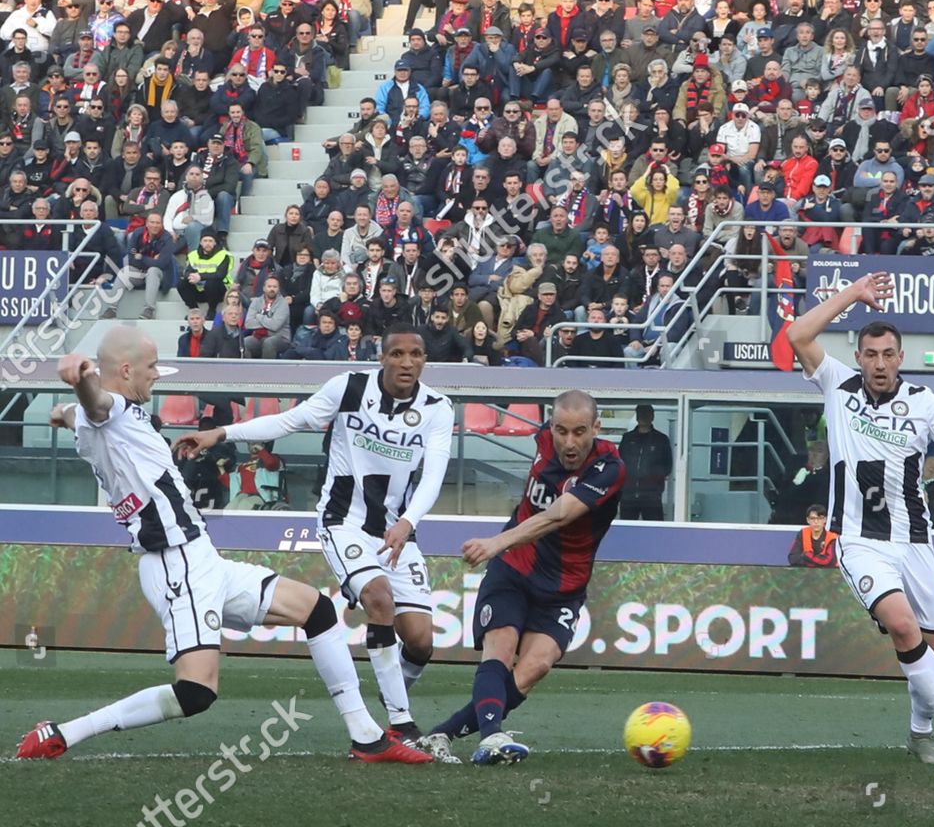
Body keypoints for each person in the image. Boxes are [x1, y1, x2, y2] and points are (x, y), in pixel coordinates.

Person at [17, 330, 429, 764]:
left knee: (317, 611)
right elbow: (96, 402)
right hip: (175, 563)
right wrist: (81, 379)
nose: (157, 376)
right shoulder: (111, 410)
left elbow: (78, 413)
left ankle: (367, 736)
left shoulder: (105, 417)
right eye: (152, 367)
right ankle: (63, 732)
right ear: (125, 371)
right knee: (196, 692)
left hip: (201, 558)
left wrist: (61, 410)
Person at [787, 271, 934, 764]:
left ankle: (920, 734)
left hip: (915, 541)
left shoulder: (923, 402)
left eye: (888, 354)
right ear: (858, 358)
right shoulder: (837, 386)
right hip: (859, 540)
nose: (879, 363)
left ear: (901, 357)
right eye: (870, 354)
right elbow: (797, 335)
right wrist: (854, 294)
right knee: (901, 626)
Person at [173, 325, 453, 747]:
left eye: (416, 354)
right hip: (343, 521)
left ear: (424, 359)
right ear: (382, 357)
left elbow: (434, 475)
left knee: (420, 641)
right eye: (397, 354)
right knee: (378, 599)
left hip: (398, 528)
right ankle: (400, 723)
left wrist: (408, 522)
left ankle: (394, 689)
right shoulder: (348, 388)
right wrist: (221, 433)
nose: (407, 362)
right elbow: (289, 421)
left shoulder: (437, 407)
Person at [419, 391, 625, 765]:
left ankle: (442, 734)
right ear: (550, 426)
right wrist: (503, 548)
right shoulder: (542, 440)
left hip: (563, 586)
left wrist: (496, 541)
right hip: (515, 567)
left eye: (580, 432)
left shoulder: (609, 467)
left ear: (597, 427)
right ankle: (492, 738)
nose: (569, 442)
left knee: (534, 668)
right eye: (561, 430)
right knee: (499, 646)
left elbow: (559, 515)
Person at [617, 403, 673, 520]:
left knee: (655, 532)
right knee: (627, 532)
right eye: (641, 414)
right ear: (637, 416)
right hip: (628, 495)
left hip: (651, 496)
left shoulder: (661, 439)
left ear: (652, 416)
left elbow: (667, 465)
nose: (643, 417)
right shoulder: (627, 438)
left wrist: (654, 478)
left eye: (646, 414)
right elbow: (619, 462)